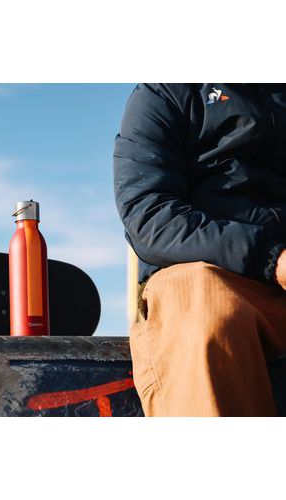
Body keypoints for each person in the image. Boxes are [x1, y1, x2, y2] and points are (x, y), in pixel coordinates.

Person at [113, 83, 286, 416]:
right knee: (207, 305)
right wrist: (272, 259)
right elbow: (150, 217)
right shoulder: (163, 93)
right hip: (206, 272)